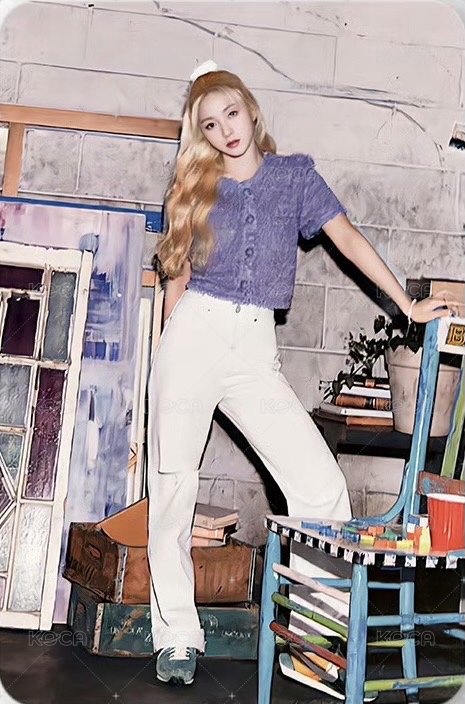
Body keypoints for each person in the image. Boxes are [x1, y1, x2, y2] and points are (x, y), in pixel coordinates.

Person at [147, 61, 460, 687]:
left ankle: (316, 643)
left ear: (250, 109)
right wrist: (164, 366)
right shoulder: (195, 186)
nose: (226, 130)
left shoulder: (294, 177)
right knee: (173, 484)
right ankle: (177, 636)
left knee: (321, 489)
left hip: (253, 345)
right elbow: (176, 281)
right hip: (192, 337)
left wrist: (405, 304)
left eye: (231, 113)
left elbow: (347, 237)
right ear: (201, 134)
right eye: (210, 124)